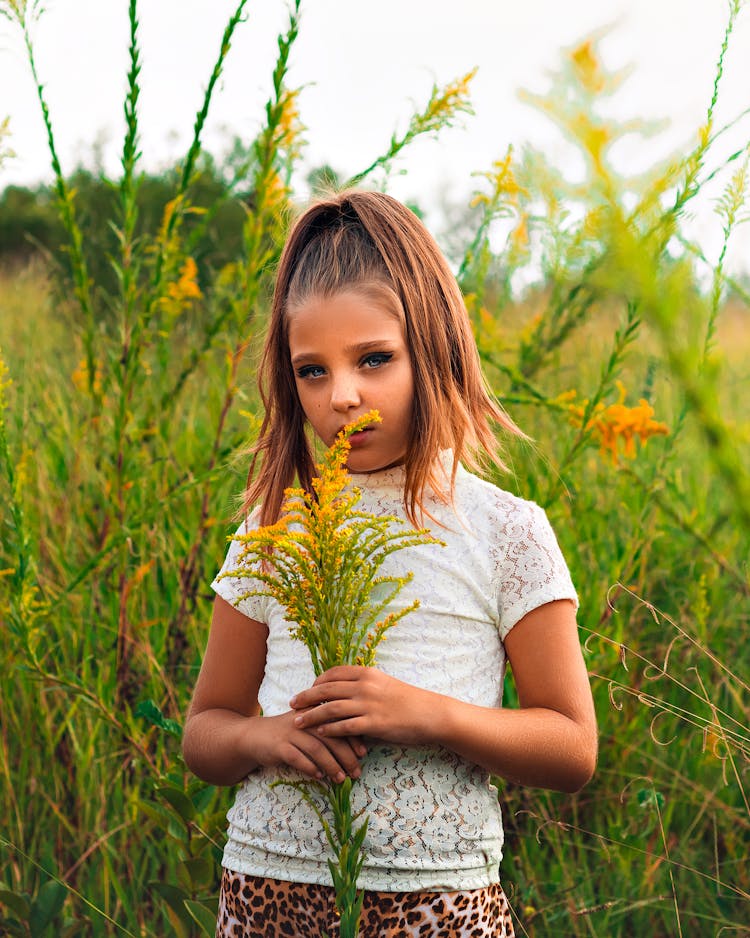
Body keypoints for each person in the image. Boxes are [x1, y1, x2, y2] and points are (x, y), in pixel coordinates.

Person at [182, 190, 598, 938]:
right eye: (312, 371)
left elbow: (571, 746)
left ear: (434, 349)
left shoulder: (506, 530)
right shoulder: (274, 526)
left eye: (374, 359)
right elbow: (204, 732)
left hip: (440, 906)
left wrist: (430, 715)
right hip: (268, 891)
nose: (343, 395)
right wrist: (261, 737)